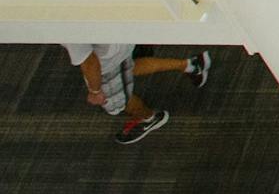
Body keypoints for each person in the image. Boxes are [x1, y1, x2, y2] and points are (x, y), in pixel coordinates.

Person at [63, 42, 208, 145]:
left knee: (116, 102)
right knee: (129, 67)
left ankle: (150, 117)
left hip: (105, 64)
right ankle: (191, 65)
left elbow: (90, 62)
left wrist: (95, 91)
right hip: (121, 40)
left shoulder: (64, 22)